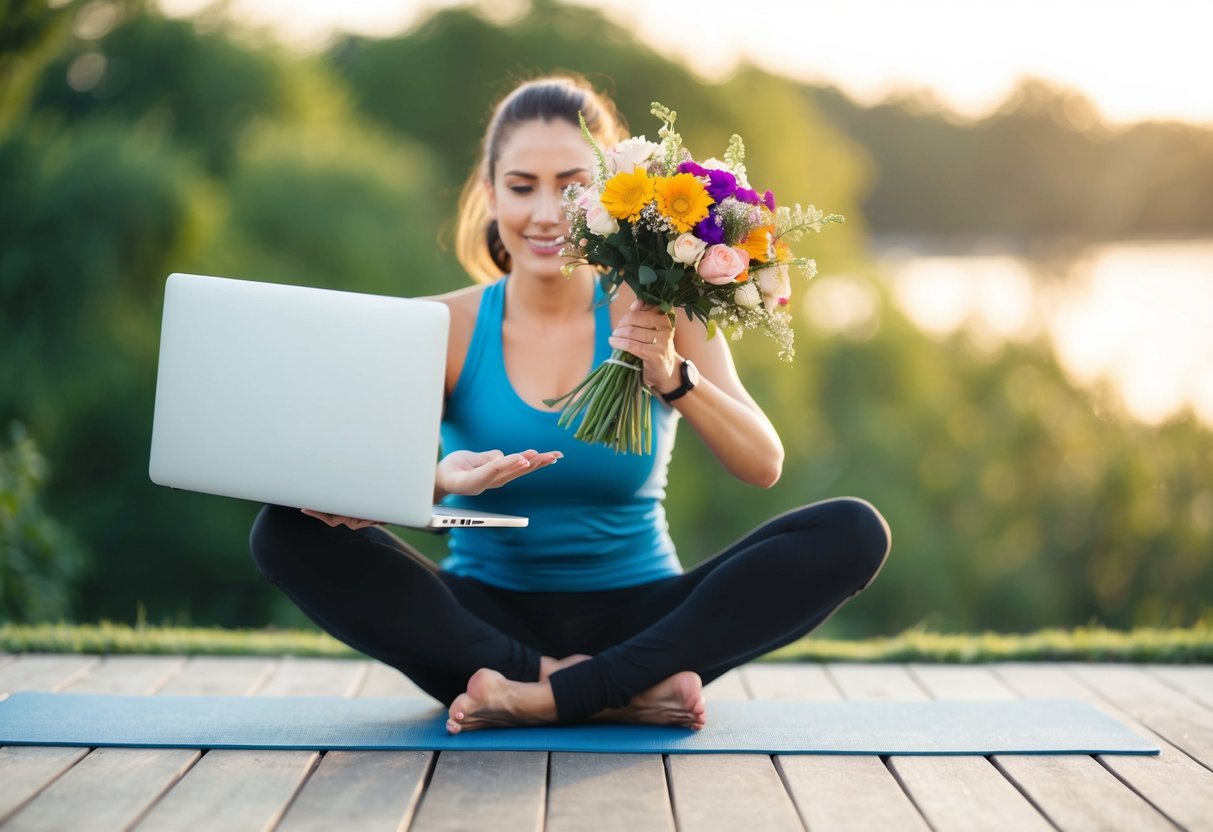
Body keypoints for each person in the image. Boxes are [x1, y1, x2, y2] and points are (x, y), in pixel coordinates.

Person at [249, 75, 891, 735]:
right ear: (490, 192)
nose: (547, 213)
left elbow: (762, 464)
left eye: (572, 187)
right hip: (477, 630)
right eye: (522, 186)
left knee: (852, 530)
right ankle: (611, 691)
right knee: (285, 529)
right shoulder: (438, 326)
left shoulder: (663, 312)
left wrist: (673, 376)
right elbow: (357, 485)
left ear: (610, 198)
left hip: (645, 621)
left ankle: (533, 696)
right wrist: (440, 479)